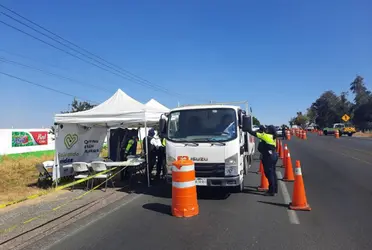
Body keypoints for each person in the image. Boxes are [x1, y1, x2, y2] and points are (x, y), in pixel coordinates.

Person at [248, 124, 278, 196]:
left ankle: (271, 191)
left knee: (269, 174)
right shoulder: (272, 137)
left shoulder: (266, 136)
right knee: (273, 173)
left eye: (267, 129)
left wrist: (247, 129)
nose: (266, 130)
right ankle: (274, 189)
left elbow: (254, 133)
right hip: (273, 155)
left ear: (269, 131)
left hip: (269, 157)